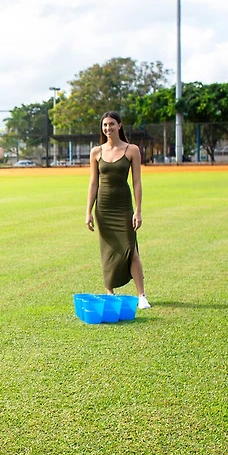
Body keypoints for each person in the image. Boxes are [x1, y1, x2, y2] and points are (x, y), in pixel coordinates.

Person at [85, 111, 151, 309]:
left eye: (112, 124)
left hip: (123, 207)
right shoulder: (96, 152)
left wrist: (138, 210)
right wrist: (88, 211)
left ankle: (141, 295)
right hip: (103, 207)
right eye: (105, 125)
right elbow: (93, 183)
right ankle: (110, 293)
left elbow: (137, 182)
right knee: (108, 251)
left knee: (131, 250)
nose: (108, 128)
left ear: (119, 126)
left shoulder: (132, 150)